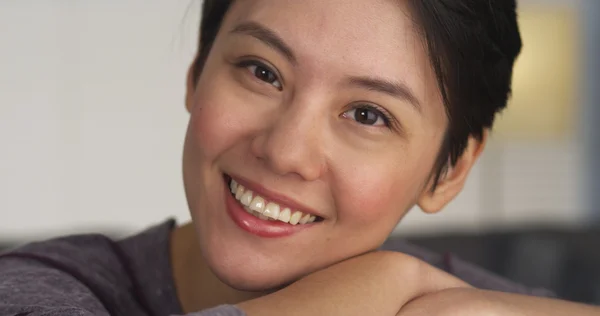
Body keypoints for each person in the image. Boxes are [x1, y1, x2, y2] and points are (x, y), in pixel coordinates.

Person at [1, 0, 598, 315]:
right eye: (262, 72)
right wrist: (389, 280)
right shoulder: (38, 289)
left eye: (368, 114)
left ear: (450, 171)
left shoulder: (462, 303)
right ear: (197, 72)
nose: (285, 152)